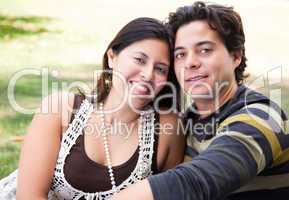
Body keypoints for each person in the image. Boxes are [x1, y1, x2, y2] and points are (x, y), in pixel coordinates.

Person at [111, 1, 289, 200]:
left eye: (205, 50)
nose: (190, 63)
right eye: (180, 54)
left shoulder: (262, 117)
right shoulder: (183, 123)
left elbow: (194, 183)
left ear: (236, 56)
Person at [0, 17, 185, 199]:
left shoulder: (167, 131)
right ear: (112, 57)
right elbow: (29, 196)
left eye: (160, 69)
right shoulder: (60, 110)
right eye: (139, 59)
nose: (147, 74)